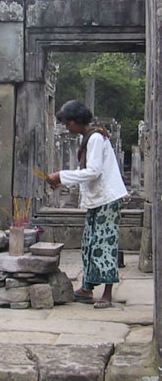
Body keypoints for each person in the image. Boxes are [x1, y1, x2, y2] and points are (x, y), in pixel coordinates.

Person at [46, 100, 128, 309]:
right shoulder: (89, 138)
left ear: (77, 120)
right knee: (91, 244)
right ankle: (87, 287)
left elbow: (93, 171)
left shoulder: (96, 139)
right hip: (98, 200)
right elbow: (86, 171)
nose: (67, 128)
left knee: (104, 244)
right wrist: (61, 180)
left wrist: (61, 175)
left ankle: (107, 293)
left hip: (107, 199)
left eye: (68, 123)